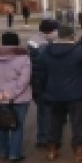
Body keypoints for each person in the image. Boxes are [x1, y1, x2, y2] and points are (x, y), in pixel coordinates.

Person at [38, 25, 82, 161]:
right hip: (74, 93)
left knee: (54, 123)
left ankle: (52, 150)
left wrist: (42, 90)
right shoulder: (78, 51)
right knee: (78, 123)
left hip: (53, 93)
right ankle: (79, 151)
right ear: (72, 36)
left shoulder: (46, 51)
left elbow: (41, 73)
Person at [0, 32, 32, 163]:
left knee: (1, 125)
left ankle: (3, 153)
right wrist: (11, 94)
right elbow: (24, 80)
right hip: (20, 98)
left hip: (0, 98)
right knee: (17, 125)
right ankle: (14, 154)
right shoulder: (24, 58)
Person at [27, 19, 58, 149]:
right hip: (43, 83)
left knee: (43, 111)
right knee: (46, 112)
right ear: (48, 32)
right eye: (55, 31)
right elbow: (48, 66)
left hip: (36, 82)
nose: (57, 33)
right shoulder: (43, 46)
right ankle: (45, 138)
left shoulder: (34, 41)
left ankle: (43, 136)